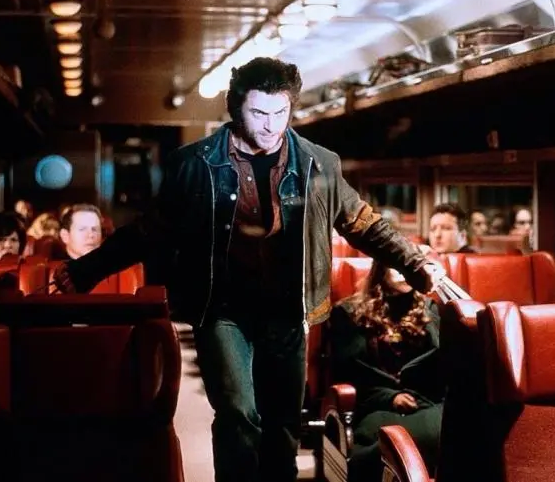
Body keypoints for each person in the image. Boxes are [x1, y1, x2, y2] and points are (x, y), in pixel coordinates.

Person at [52, 57, 444, 482]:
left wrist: (414, 261)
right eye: (259, 113)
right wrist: (87, 269)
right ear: (236, 108)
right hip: (223, 308)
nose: (271, 125)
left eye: (280, 112)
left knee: (283, 422)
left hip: (288, 309)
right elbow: (150, 230)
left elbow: (363, 223)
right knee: (238, 412)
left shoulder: (319, 164)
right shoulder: (195, 164)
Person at [329, 261, 443, 481]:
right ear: (380, 269)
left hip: (425, 403)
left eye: (409, 268)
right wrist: (390, 397)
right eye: (396, 266)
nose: (403, 273)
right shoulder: (349, 311)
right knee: (382, 440)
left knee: (454, 430)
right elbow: (350, 370)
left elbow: (440, 364)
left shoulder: (430, 309)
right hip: (376, 406)